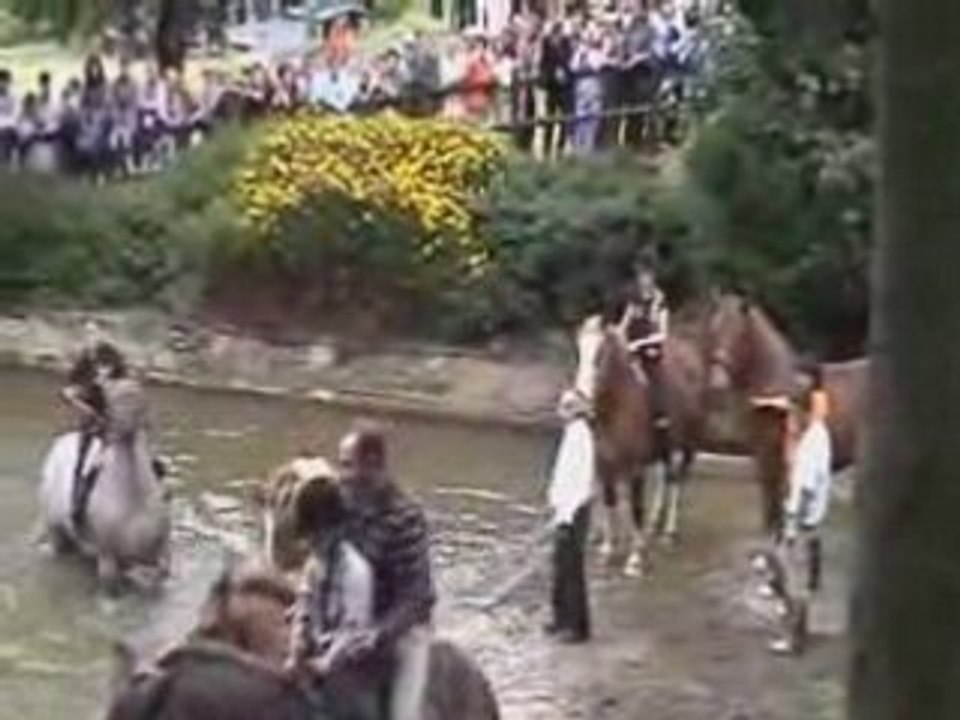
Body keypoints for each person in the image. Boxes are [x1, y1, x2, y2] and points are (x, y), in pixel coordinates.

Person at [329, 421, 435, 720]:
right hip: (348, 624)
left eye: (348, 466)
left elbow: (417, 595)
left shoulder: (405, 516)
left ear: (373, 466)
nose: (342, 475)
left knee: (403, 715)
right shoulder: (339, 504)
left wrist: (378, 634)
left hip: (399, 631)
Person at [286, 474, 382, 720]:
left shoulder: (357, 573)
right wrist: (297, 641)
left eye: (316, 535)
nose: (311, 543)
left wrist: (324, 664)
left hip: (348, 668)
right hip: (315, 656)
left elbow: (352, 631)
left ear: (335, 529)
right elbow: (304, 605)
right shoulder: (314, 565)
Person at [768, 385, 833, 655]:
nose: (790, 421)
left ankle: (793, 638)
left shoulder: (812, 443)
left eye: (793, 414)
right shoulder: (818, 435)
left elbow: (806, 488)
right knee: (796, 580)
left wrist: (792, 526)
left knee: (791, 580)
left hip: (804, 520)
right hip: (811, 521)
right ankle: (796, 633)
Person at [61, 323, 129, 531]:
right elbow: (70, 386)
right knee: (84, 462)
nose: (91, 337)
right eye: (87, 334)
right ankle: (77, 507)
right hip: (92, 419)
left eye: (95, 333)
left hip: (115, 414)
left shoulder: (114, 356)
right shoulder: (83, 360)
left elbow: (125, 382)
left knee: (141, 451)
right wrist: (74, 396)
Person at [545, 393, 595, 644]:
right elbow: (562, 475)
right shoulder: (571, 433)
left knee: (572, 569)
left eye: (565, 406)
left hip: (574, 513)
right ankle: (560, 618)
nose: (559, 410)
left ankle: (576, 626)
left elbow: (581, 482)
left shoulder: (581, 436)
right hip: (564, 511)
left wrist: (566, 516)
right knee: (560, 566)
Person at [617, 263, 671, 451]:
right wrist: (619, 339)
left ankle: (660, 417)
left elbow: (663, 332)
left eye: (647, 276)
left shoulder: (660, 300)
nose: (644, 280)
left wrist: (640, 344)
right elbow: (624, 323)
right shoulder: (634, 299)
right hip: (631, 348)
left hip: (650, 349)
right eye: (641, 277)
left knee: (655, 379)